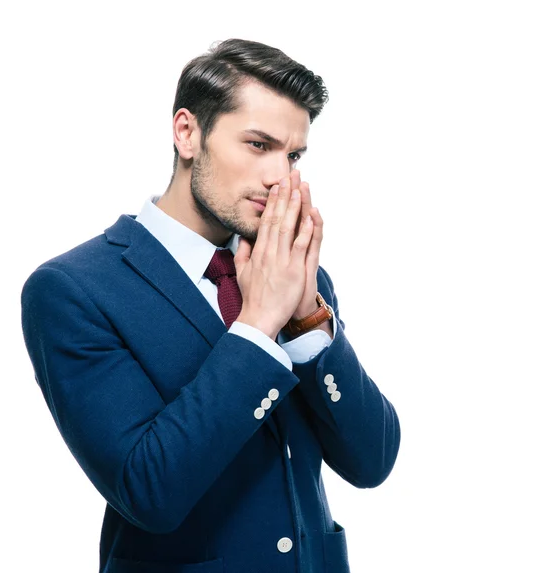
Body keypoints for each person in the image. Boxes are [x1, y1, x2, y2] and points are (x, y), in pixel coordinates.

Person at [21, 38, 400, 573]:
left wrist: (307, 321)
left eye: (292, 155)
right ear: (187, 133)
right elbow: (149, 492)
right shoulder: (72, 289)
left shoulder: (293, 277)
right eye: (258, 145)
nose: (279, 177)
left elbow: (372, 461)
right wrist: (259, 324)